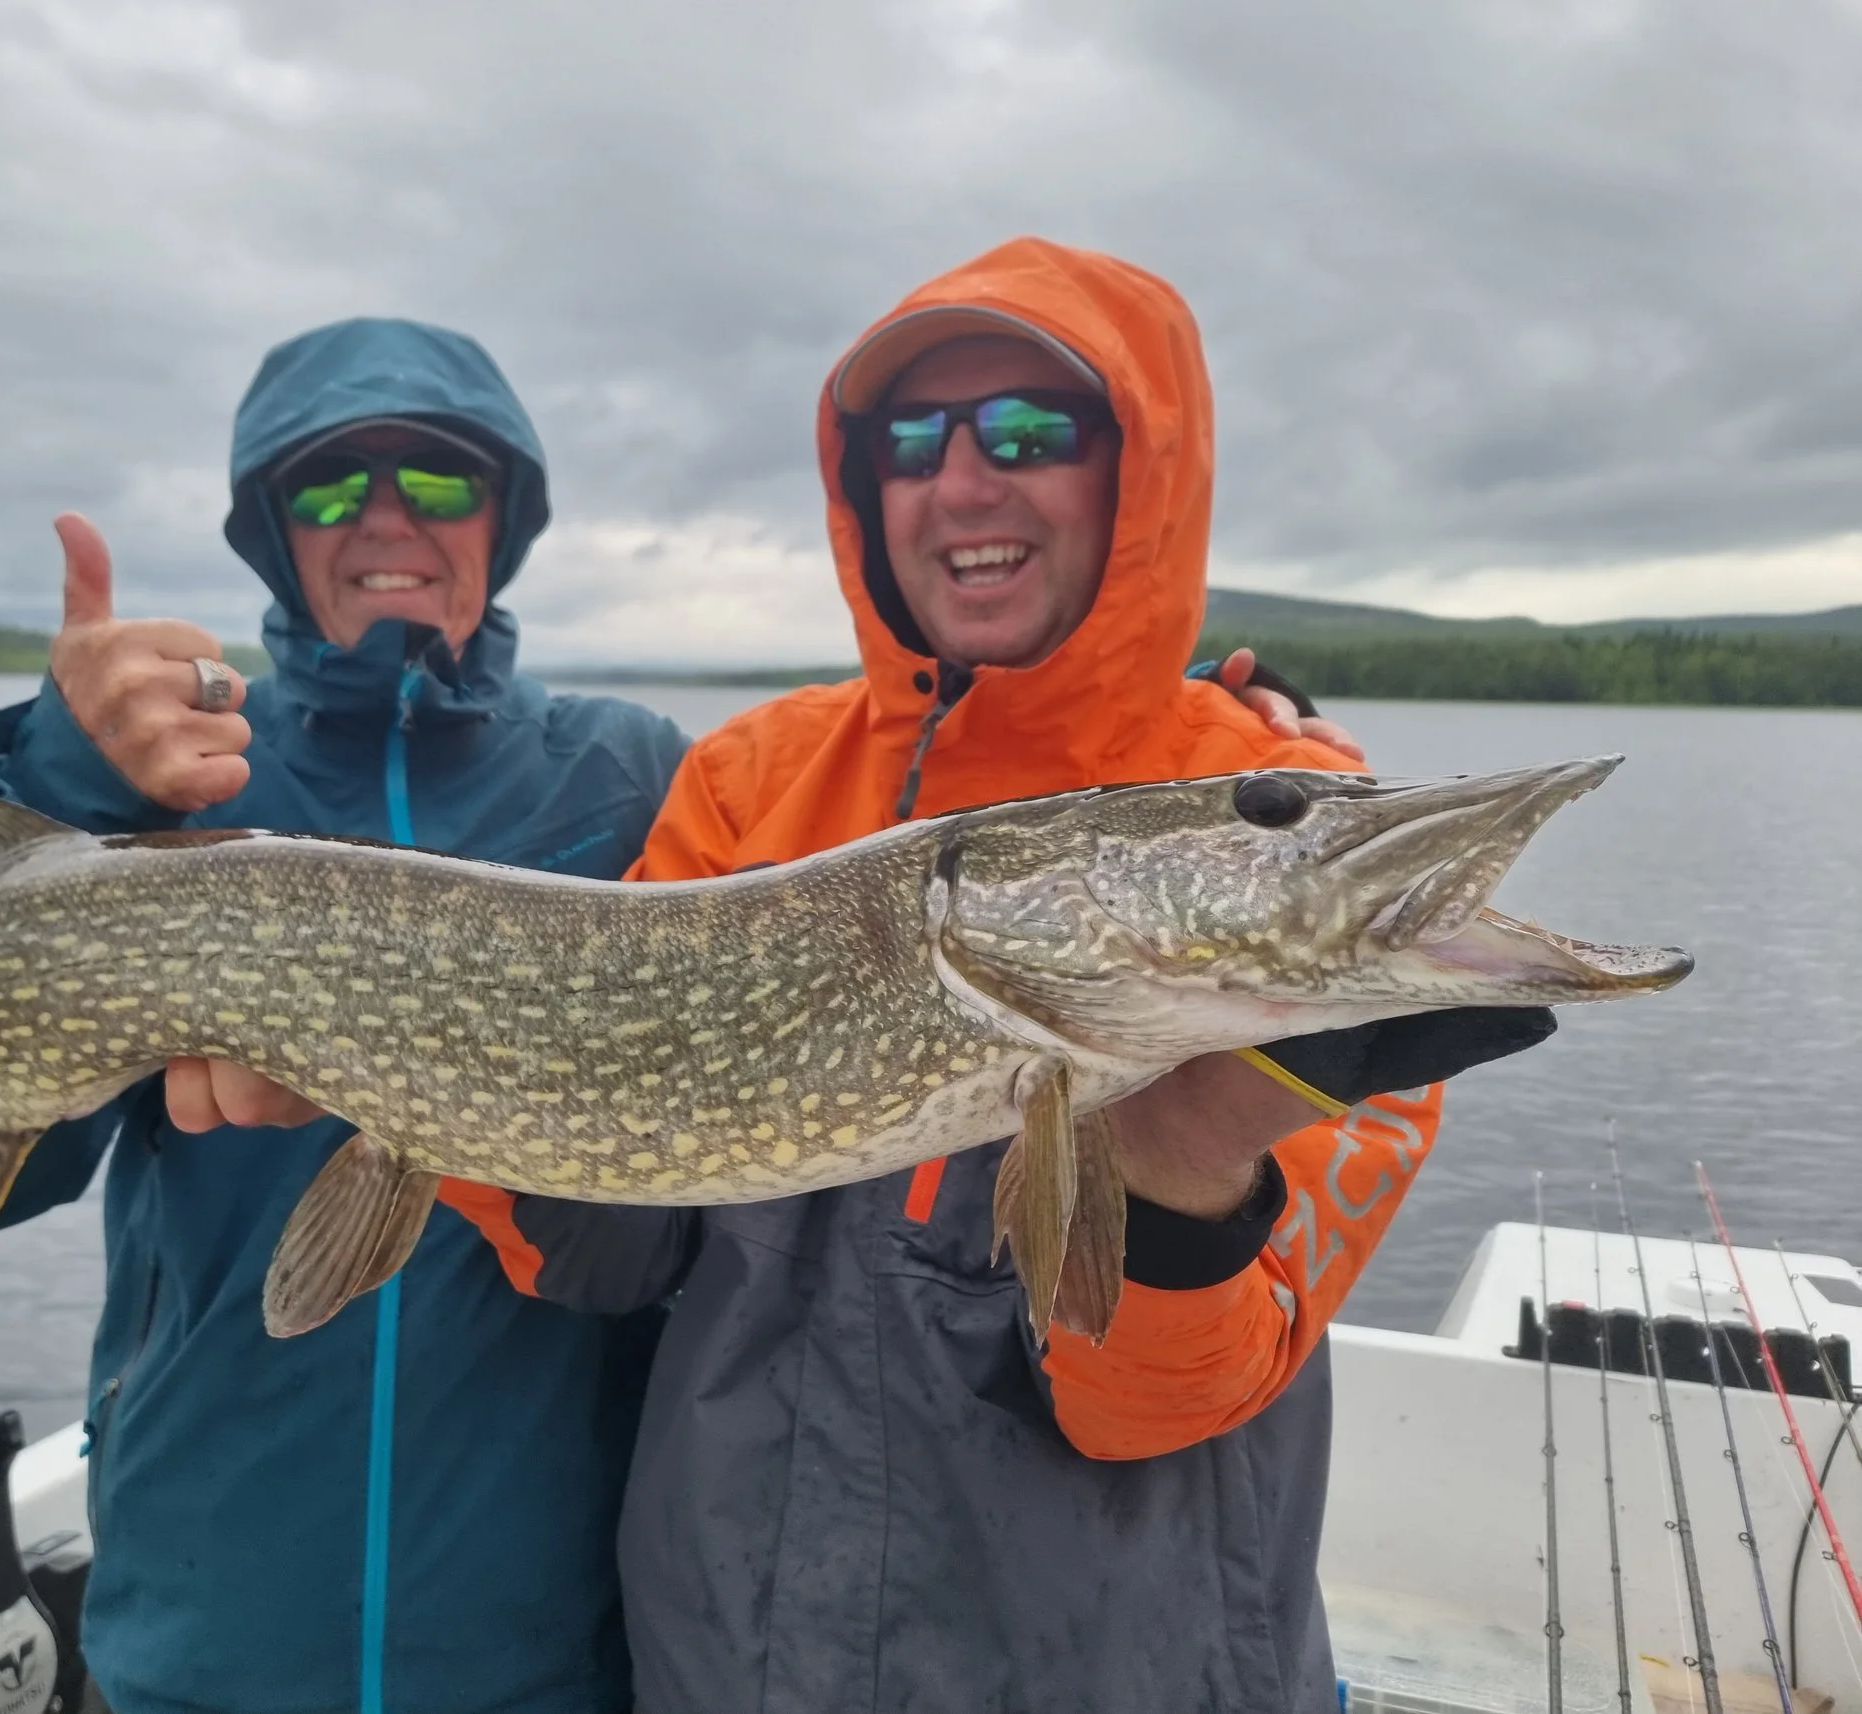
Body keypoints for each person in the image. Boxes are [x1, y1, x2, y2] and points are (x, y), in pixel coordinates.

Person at [572, 239, 1553, 1712]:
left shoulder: (1272, 801)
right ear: (866, 489)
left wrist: (1187, 1156)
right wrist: (397, 1085)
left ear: (1140, 472)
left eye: (1032, 429)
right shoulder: (748, 781)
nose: (964, 482)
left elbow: (1157, 1400)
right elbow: (603, 1249)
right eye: (912, 441)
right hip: (737, 1654)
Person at [0, 319, 693, 1714]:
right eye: (328, 486)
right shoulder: (174, 774)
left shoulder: (623, 774)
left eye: (437, 483)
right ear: (269, 529)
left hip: (541, 1655)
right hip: (208, 1639)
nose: (385, 519)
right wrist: (57, 786)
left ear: (505, 517)